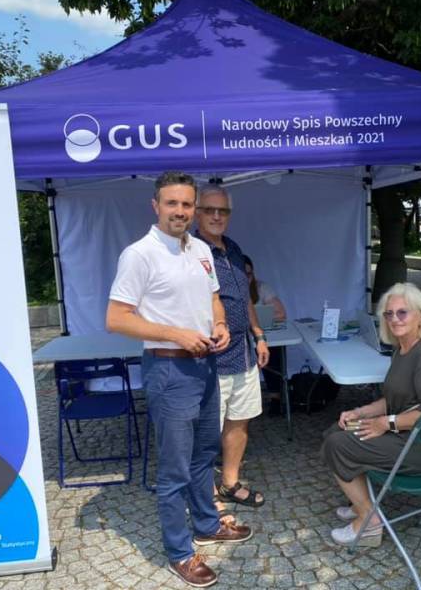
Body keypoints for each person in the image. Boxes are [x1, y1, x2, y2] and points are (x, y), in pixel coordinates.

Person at [106, 172, 251, 588]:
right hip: (168, 368)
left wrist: (220, 324)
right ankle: (180, 552)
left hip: (205, 365)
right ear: (156, 206)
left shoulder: (201, 249)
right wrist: (176, 334)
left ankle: (206, 524)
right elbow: (116, 319)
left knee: (204, 454)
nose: (180, 211)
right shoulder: (140, 254)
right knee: (174, 469)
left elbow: (213, 299)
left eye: (187, 204)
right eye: (172, 203)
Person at [321, 283, 421, 547]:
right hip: (402, 434)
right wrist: (359, 412)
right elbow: (393, 400)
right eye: (389, 314)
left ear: (420, 315)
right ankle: (361, 503)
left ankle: (368, 521)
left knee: (337, 445)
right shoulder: (401, 350)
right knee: (337, 430)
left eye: (402, 312)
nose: (394, 319)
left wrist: (385, 423)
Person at [194, 185, 269, 512]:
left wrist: (259, 334)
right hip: (211, 357)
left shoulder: (234, 248)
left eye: (222, 210)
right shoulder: (190, 253)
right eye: (209, 210)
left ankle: (229, 483)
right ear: (197, 213)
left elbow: (244, 298)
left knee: (239, 421)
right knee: (206, 430)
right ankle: (206, 495)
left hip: (244, 352)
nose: (216, 216)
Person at [243, 254, 287, 415]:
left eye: (249, 274)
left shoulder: (261, 287)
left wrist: (257, 319)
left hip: (260, 335)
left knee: (272, 350)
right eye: (243, 274)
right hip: (239, 338)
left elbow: (281, 313)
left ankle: (276, 397)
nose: (247, 278)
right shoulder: (224, 290)